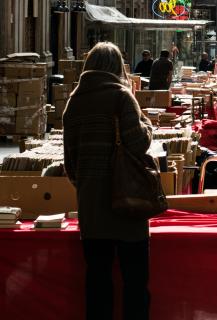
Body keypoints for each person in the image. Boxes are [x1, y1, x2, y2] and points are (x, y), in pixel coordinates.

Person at [63, 42, 153, 320]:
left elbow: (70, 164)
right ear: (117, 67)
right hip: (128, 204)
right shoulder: (122, 96)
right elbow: (138, 144)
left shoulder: (74, 101)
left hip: (92, 208)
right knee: (135, 283)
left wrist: (90, 186)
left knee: (97, 281)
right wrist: (147, 123)